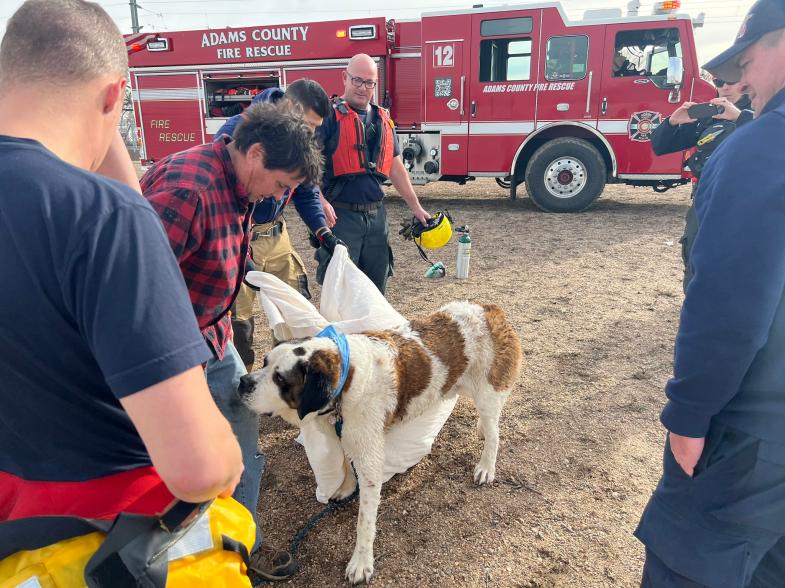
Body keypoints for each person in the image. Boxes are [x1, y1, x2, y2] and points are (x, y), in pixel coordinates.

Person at [0, 0, 242, 567]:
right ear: (115, 98)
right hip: (105, 544)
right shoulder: (100, 218)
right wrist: (228, 451)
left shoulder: (104, 213)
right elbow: (199, 469)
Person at [140, 100, 322, 582]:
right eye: (282, 185)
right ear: (256, 154)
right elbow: (134, 292)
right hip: (172, 352)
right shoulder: (188, 191)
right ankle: (174, 559)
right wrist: (175, 379)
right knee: (181, 461)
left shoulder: (240, 185)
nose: (278, 197)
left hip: (213, 335)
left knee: (242, 425)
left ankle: (239, 544)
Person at [635, 1, 785, 585]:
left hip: (747, 433)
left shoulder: (759, 152)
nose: (737, 82)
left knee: (691, 563)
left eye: (746, 61)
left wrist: (690, 415)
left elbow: (729, 307)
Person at [214, 79, 339, 371]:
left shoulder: (298, 136)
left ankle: (285, 376)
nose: (311, 132)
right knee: (238, 319)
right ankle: (239, 386)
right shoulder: (238, 131)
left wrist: (323, 232)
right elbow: (222, 193)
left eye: (316, 127)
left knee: (296, 302)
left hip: (275, 232)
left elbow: (306, 190)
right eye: (309, 123)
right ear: (292, 107)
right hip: (239, 234)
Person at [316, 53, 431, 294]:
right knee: (341, 291)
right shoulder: (327, 118)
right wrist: (320, 202)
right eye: (357, 80)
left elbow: (396, 168)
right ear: (344, 77)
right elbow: (306, 167)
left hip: (377, 217)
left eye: (369, 82)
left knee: (376, 290)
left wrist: (416, 207)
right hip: (340, 217)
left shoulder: (383, 120)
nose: (362, 88)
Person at [650, 79, 754, 291]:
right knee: (695, 258)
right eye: (719, 81)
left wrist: (741, 118)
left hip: (746, 202)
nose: (724, 87)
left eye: (731, 81)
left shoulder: (762, 112)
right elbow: (660, 146)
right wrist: (673, 121)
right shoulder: (710, 116)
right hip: (705, 198)